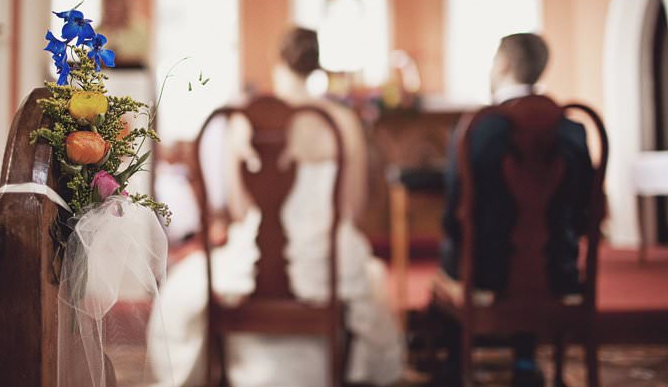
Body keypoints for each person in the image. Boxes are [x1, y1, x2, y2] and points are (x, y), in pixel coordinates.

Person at [148, 27, 405, 387]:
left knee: (185, 287)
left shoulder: (244, 120)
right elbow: (353, 208)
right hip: (326, 258)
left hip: (258, 259)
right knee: (368, 274)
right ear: (315, 64)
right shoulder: (342, 123)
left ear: (279, 62)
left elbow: (237, 208)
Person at [437, 33, 594, 387]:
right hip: (559, 272)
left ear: (504, 65)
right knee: (531, 250)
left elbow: (454, 215)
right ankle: (525, 362)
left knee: (457, 249)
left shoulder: (476, 128)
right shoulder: (574, 128)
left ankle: (456, 367)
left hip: (487, 275)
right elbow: (586, 212)